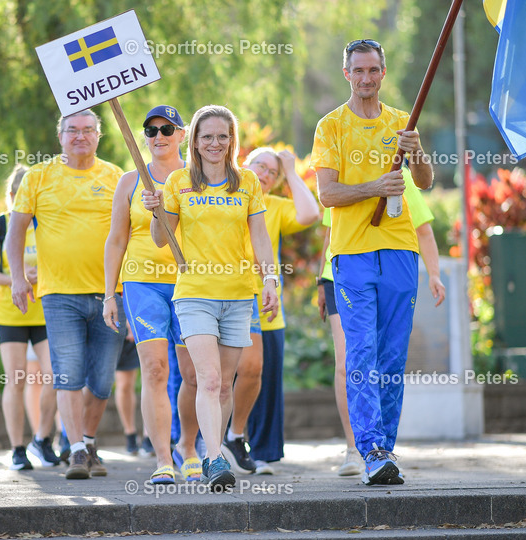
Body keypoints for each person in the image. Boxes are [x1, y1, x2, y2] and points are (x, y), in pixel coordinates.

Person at [312, 39, 434, 485]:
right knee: (361, 351)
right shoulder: (330, 127)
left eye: (373, 70)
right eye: (358, 71)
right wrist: (376, 188)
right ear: (347, 73)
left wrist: (415, 150)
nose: (366, 78)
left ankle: (387, 448)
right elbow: (328, 194)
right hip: (351, 255)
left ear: (384, 73)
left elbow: (425, 181)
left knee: (391, 356)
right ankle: (371, 449)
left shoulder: (403, 122)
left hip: (401, 250)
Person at [142, 104, 280, 492]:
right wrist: (157, 213)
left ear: (231, 140)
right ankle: (215, 458)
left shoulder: (248, 182)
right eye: (207, 137)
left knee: (224, 385)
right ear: (196, 143)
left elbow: (260, 237)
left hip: (239, 294)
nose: (215, 143)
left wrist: (269, 279)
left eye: (222, 136)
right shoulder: (179, 182)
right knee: (209, 376)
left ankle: (211, 450)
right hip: (195, 294)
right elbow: (160, 240)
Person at [9, 109, 125, 480]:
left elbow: (132, 232)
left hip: (110, 294)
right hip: (59, 294)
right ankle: (75, 450)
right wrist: (16, 278)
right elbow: (15, 233)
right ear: (59, 136)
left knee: (103, 381)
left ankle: (88, 441)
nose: (80, 136)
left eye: (88, 130)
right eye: (72, 130)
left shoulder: (115, 177)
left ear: (99, 135)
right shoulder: (39, 176)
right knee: (68, 374)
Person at [317, 167, 447, 476]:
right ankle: (357, 446)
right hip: (340, 272)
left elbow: (424, 230)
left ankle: (376, 449)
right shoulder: (345, 178)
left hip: (389, 267)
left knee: (381, 358)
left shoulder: (400, 180)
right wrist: (320, 281)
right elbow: (329, 232)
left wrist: (434, 274)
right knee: (350, 360)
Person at [102, 104, 197, 485]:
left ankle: (188, 448)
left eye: (167, 129)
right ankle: (162, 459)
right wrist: (110, 294)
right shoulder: (130, 181)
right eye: (151, 130)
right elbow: (116, 239)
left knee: (192, 373)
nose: (158, 136)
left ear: (182, 134)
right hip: (142, 284)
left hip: (190, 284)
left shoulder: (197, 177)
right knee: (155, 369)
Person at [224, 147, 318, 476]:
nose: (264, 174)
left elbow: (311, 215)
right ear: (243, 164)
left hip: (266, 309)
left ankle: (259, 452)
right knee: (221, 379)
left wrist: (291, 172)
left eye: (272, 173)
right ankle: (218, 443)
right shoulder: (222, 196)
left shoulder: (273, 206)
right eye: (260, 166)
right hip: (224, 301)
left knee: (261, 381)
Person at [0, 165, 60, 470]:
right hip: (10, 313)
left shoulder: (48, 223)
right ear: (11, 195)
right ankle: (17, 449)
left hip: (45, 310)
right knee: (17, 379)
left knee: (55, 376)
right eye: (20, 194)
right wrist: (18, 278)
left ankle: (42, 439)